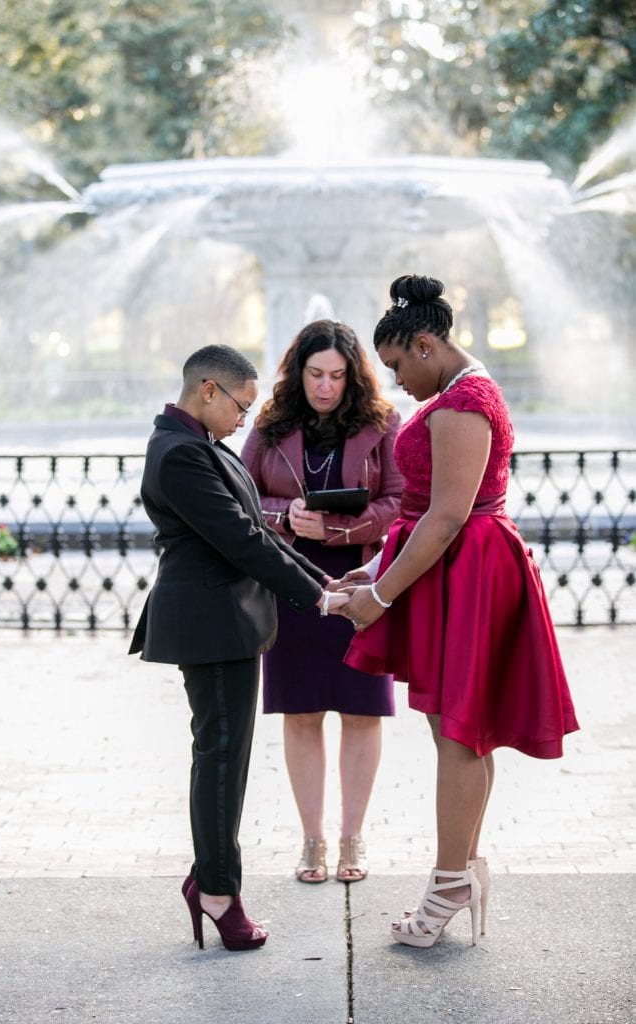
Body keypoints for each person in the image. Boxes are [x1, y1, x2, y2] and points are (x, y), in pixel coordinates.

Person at [334, 275, 579, 947]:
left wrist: (379, 599)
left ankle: (449, 882)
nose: (394, 383)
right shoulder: (459, 394)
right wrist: (378, 568)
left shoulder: (460, 404)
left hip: (466, 569)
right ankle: (461, 872)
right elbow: (427, 515)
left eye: (395, 367)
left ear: (423, 343)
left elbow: (444, 517)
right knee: (459, 728)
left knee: (459, 732)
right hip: (455, 568)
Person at [128, 344, 348, 952]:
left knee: (224, 757)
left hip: (226, 622)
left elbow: (255, 533)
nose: (245, 421)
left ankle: (213, 878)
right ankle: (218, 891)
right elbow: (240, 541)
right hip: (210, 623)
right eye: (241, 407)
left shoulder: (199, 447)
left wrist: (325, 582)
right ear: (207, 389)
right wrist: (321, 600)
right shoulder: (179, 454)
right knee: (221, 759)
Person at [241, 320, 403, 884]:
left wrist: (339, 529)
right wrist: (286, 516)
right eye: (315, 374)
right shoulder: (268, 425)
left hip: (362, 581)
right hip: (288, 579)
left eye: (337, 375)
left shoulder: (383, 424)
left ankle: (352, 838)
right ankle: (312, 841)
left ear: (353, 375)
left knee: (363, 711)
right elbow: (239, 496)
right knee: (301, 711)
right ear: (298, 372)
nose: (326, 387)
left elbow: (401, 501)